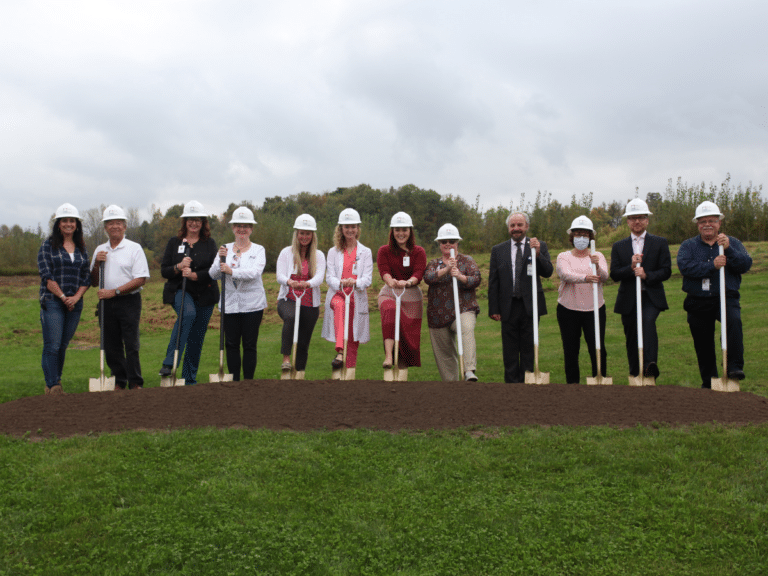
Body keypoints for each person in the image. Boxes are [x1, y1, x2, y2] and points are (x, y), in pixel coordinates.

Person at [677, 201, 752, 388]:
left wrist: (728, 250)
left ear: (719, 223)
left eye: (711, 220)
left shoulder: (732, 243)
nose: (707, 224)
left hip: (726, 297)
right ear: (697, 224)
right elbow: (685, 267)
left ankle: (734, 367)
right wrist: (712, 266)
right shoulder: (688, 246)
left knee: (733, 323)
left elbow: (745, 265)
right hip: (698, 300)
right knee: (703, 343)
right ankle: (709, 381)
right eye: (702, 221)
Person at [90, 204, 150, 390]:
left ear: (125, 226)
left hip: (128, 301)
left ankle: (135, 382)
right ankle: (118, 380)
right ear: (105, 227)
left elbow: (140, 279)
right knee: (111, 345)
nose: (114, 226)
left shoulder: (134, 248)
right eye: (110, 223)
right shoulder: (100, 250)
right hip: (106, 303)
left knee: (131, 343)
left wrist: (115, 291)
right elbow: (93, 281)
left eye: (118, 223)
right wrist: (97, 265)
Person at [488, 211, 553, 383]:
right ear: (508, 228)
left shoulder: (538, 246)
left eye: (519, 225)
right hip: (507, 306)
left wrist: (538, 253)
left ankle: (528, 382)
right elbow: (493, 282)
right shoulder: (498, 250)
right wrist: (494, 308)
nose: (516, 229)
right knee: (509, 350)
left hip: (530, 306)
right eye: (512, 225)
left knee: (528, 347)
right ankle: (511, 385)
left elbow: (548, 272)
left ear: (527, 227)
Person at [159, 200, 220, 385]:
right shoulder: (174, 242)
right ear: (184, 222)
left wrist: (195, 275)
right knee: (188, 313)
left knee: (196, 338)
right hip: (180, 290)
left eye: (198, 220)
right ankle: (169, 362)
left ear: (203, 222)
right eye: (190, 220)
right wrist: (178, 267)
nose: (194, 223)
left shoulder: (209, 244)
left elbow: (214, 270)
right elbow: (164, 271)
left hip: (205, 294)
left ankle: (189, 379)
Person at [610, 199, 671, 379]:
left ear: (647, 220)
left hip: (650, 296)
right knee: (631, 335)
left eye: (641, 217)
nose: (637, 221)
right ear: (628, 221)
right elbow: (614, 274)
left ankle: (650, 364)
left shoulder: (659, 242)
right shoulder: (619, 246)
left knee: (647, 321)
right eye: (633, 218)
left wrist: (647, 275)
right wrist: (630, 267)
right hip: (628, 298)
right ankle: (635, 372)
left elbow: (666, 270)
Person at [37, 203, 91, 395]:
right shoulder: (47, 246)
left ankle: (56, 382)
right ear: (58, 224)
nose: (68, 224)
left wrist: (75, 298)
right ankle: (52, 385)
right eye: (65, 221)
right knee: (53, 344)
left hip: (74, 304)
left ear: (77, 224)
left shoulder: (82, 248)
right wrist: (62, 297)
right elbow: (47, 276)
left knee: (63, 344)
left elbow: (87, 277)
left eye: (72, 221)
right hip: (52, 301)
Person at [207, 206, 266, 381]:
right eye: (238, 225)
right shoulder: (225, 249)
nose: (242, 229)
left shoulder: (258, 250)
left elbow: (254, 273)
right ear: (233, 228)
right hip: (229, 304)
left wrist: (231, 272)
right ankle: (234, 382)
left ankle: (248, 382)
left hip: (252, 305)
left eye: (246, 225)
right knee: (231, 344)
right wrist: (220, 262)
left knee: (249, 345)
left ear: (251, 229)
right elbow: (213, 274)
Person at [555, 216, 609, 384]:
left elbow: (605, 277)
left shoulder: (597, 255)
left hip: (595, 309)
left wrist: (597, 266)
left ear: (590, 237)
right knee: (571, 350)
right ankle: (573, 386)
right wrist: (586, 277)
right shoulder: (564, 256)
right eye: (577, 234)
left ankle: (599, 380)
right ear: (572, 237)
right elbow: (565, 274)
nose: (581, 238)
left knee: (597, 348)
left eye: (585, 235)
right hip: (568, 309)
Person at [424, 223, 481, 381]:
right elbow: (428, 277)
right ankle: (451, 386)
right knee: (445, 354)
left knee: (466, 329)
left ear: (457, 243)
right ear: (439, 244)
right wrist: (447, 269)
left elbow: (476, 279)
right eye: (444, 241)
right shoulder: (434, 264)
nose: (447, 244)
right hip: (438, 315)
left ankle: (469, 370)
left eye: (452, 240)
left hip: (463, 309)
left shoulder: (467, 260)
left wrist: (461, 276)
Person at [321, 208, 373, 372]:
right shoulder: (333, 251)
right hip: (338, 295)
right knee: (339, 306)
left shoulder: (365, 252)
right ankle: (339, 351)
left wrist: (355, 282)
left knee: (353, 336)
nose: (350, 230)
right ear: (341, 229)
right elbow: (329, 277)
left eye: (353, 226)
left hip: (356, 297)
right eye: (346, 227)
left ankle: (349, 373)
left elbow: (367, 279)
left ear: (358, 228)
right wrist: (342, 283)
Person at [376, 211, 427, 372]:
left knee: (407, 336)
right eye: (397, 230)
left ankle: (402, 369)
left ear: (410, 231)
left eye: (404, 229)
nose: (401, 233)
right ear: (392, 231)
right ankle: (389, 356)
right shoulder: (384, 250)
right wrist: (393, 282)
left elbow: (419, 273)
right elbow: (384, 271)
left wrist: (408, 282)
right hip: (390, 292)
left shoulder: (419, 251)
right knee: (390, 311)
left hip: (411, 294)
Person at [275, 214, 326, 375]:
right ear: (296, 234)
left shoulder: (318, 255)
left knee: (303, 342)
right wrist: (290, 282)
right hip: (288, 298)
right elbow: (279, 275)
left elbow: (319, 277)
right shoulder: (286, 253)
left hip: (310, 302)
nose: (304, 237)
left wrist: (307, 283)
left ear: (313, 235)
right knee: (291, 317)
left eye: (308, 233)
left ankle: (300, 374)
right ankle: (286, 358)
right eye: (302, 233)